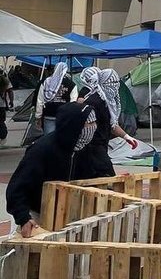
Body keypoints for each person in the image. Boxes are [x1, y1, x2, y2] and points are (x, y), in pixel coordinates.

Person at [6, 102, 98, 237]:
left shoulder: (83, 149)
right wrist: (23, 217)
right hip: (36, 215)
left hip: (66, 215)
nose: (94, 127)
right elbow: (16, 188)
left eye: (95, 122)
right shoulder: (42, 150)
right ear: (74, 126)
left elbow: (97, 174)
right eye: (89, 123)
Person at [75, 67, 137, 178]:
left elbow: (112, 125)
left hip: (102, 144)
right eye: (112, 83)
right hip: (92, 146)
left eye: (116, 83)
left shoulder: (108, 102)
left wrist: (127, 137)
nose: (115, 86)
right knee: (106, 174)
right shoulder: (93, 101)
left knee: (95, 176)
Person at [36, 63, 77, 133]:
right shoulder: (71, 84)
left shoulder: (46, 82)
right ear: (65, 70)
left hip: (49, 114)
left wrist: (38, 116)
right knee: (62, 140)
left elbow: (40, 101)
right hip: (64, 116)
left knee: (49, 139)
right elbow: (73, 102)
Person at [0, 68, 12, 147]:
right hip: (1, 105)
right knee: (1, 121)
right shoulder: (4, 80)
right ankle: (3, 135)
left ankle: (3, 134)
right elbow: (10, 91)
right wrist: (11, 101)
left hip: (1, 104)